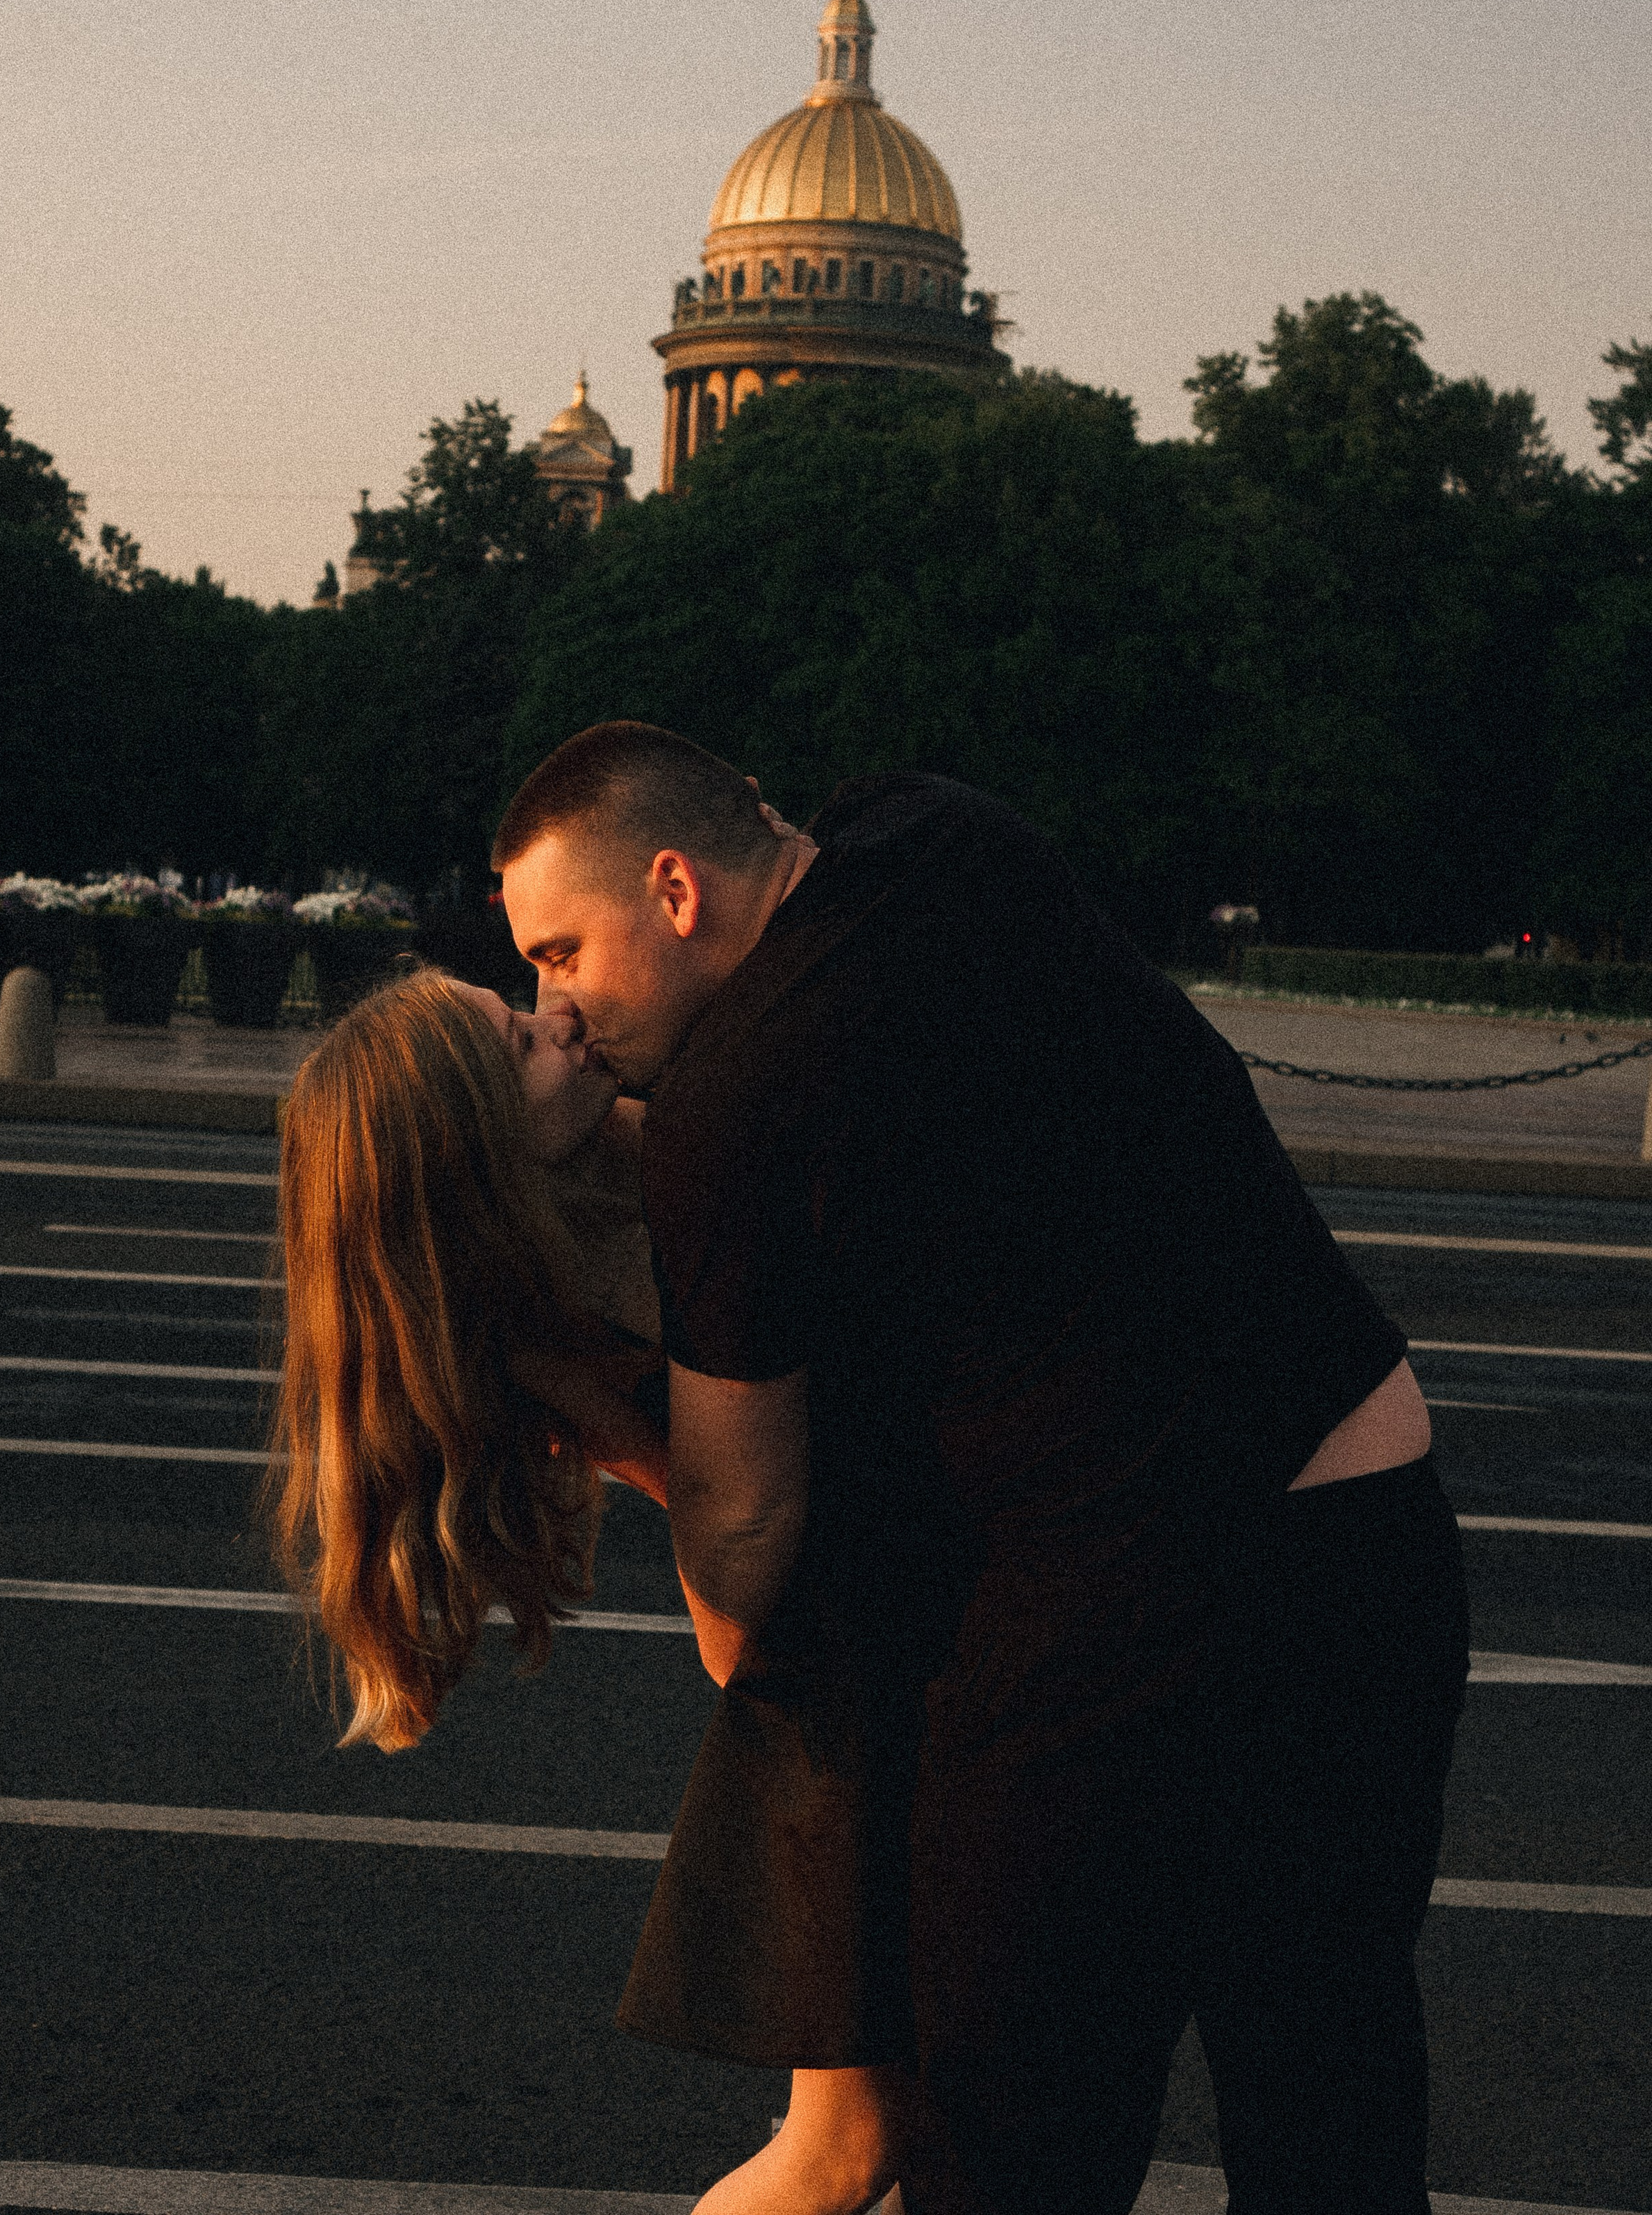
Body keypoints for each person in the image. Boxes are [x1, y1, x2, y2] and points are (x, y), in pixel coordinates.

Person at [492, 725, 1472, 2215]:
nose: (557, 1005)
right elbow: (899, 1119)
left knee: (1008, 2137)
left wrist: (542, 1160)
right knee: (1323, 2085)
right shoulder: (943, 831)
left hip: (1108, 1633)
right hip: (1366, 1532)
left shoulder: (725, 1111)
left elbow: (744, 1519)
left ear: (674, 891)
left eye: (563, 953)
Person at [265, 965, 915, 2215]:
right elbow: (722, 1504)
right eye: (522, 1040)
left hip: (862, 1637)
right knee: (846, 2145)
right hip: (834, 1672)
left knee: (922, 2129)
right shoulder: (544, 1316)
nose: (561, 1014)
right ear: (472, 1150)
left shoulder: (629, 1153)